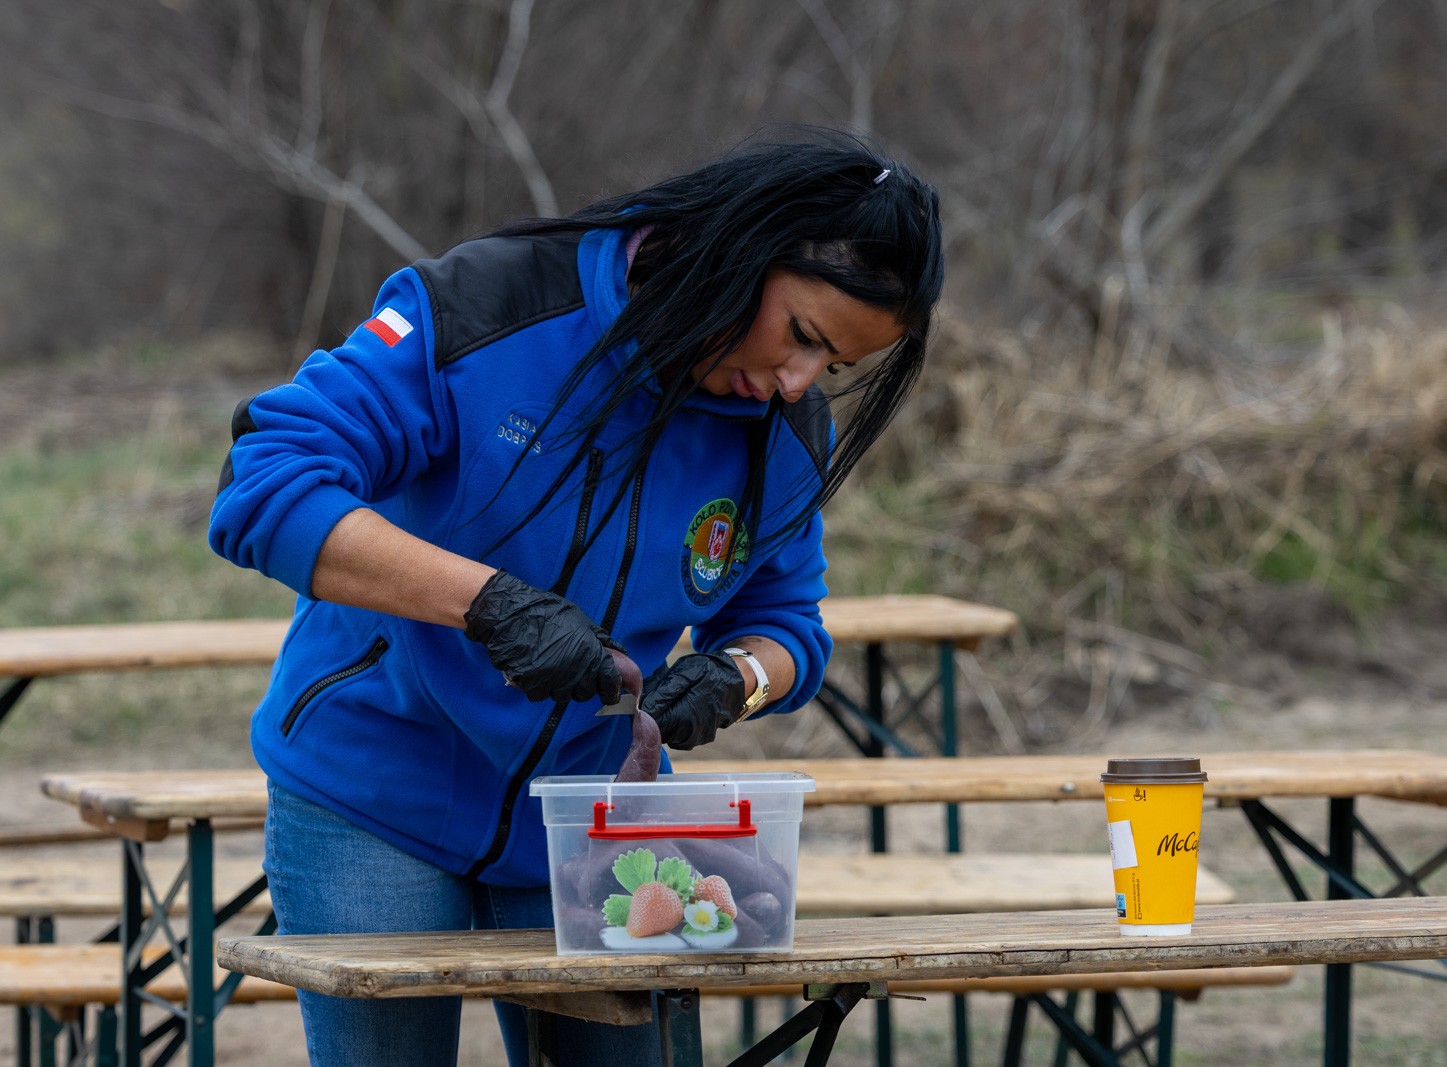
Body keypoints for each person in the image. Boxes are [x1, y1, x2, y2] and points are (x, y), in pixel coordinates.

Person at [208, 127, 943, 1066]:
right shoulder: (493, 304)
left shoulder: (779, 430)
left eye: (832, 367)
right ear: (741, 251)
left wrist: (737, 677)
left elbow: (785, 623)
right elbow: (263, 481)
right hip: (370, 793)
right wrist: (488, 604)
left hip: (597, 826)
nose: (798, 384)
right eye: (801, 335)